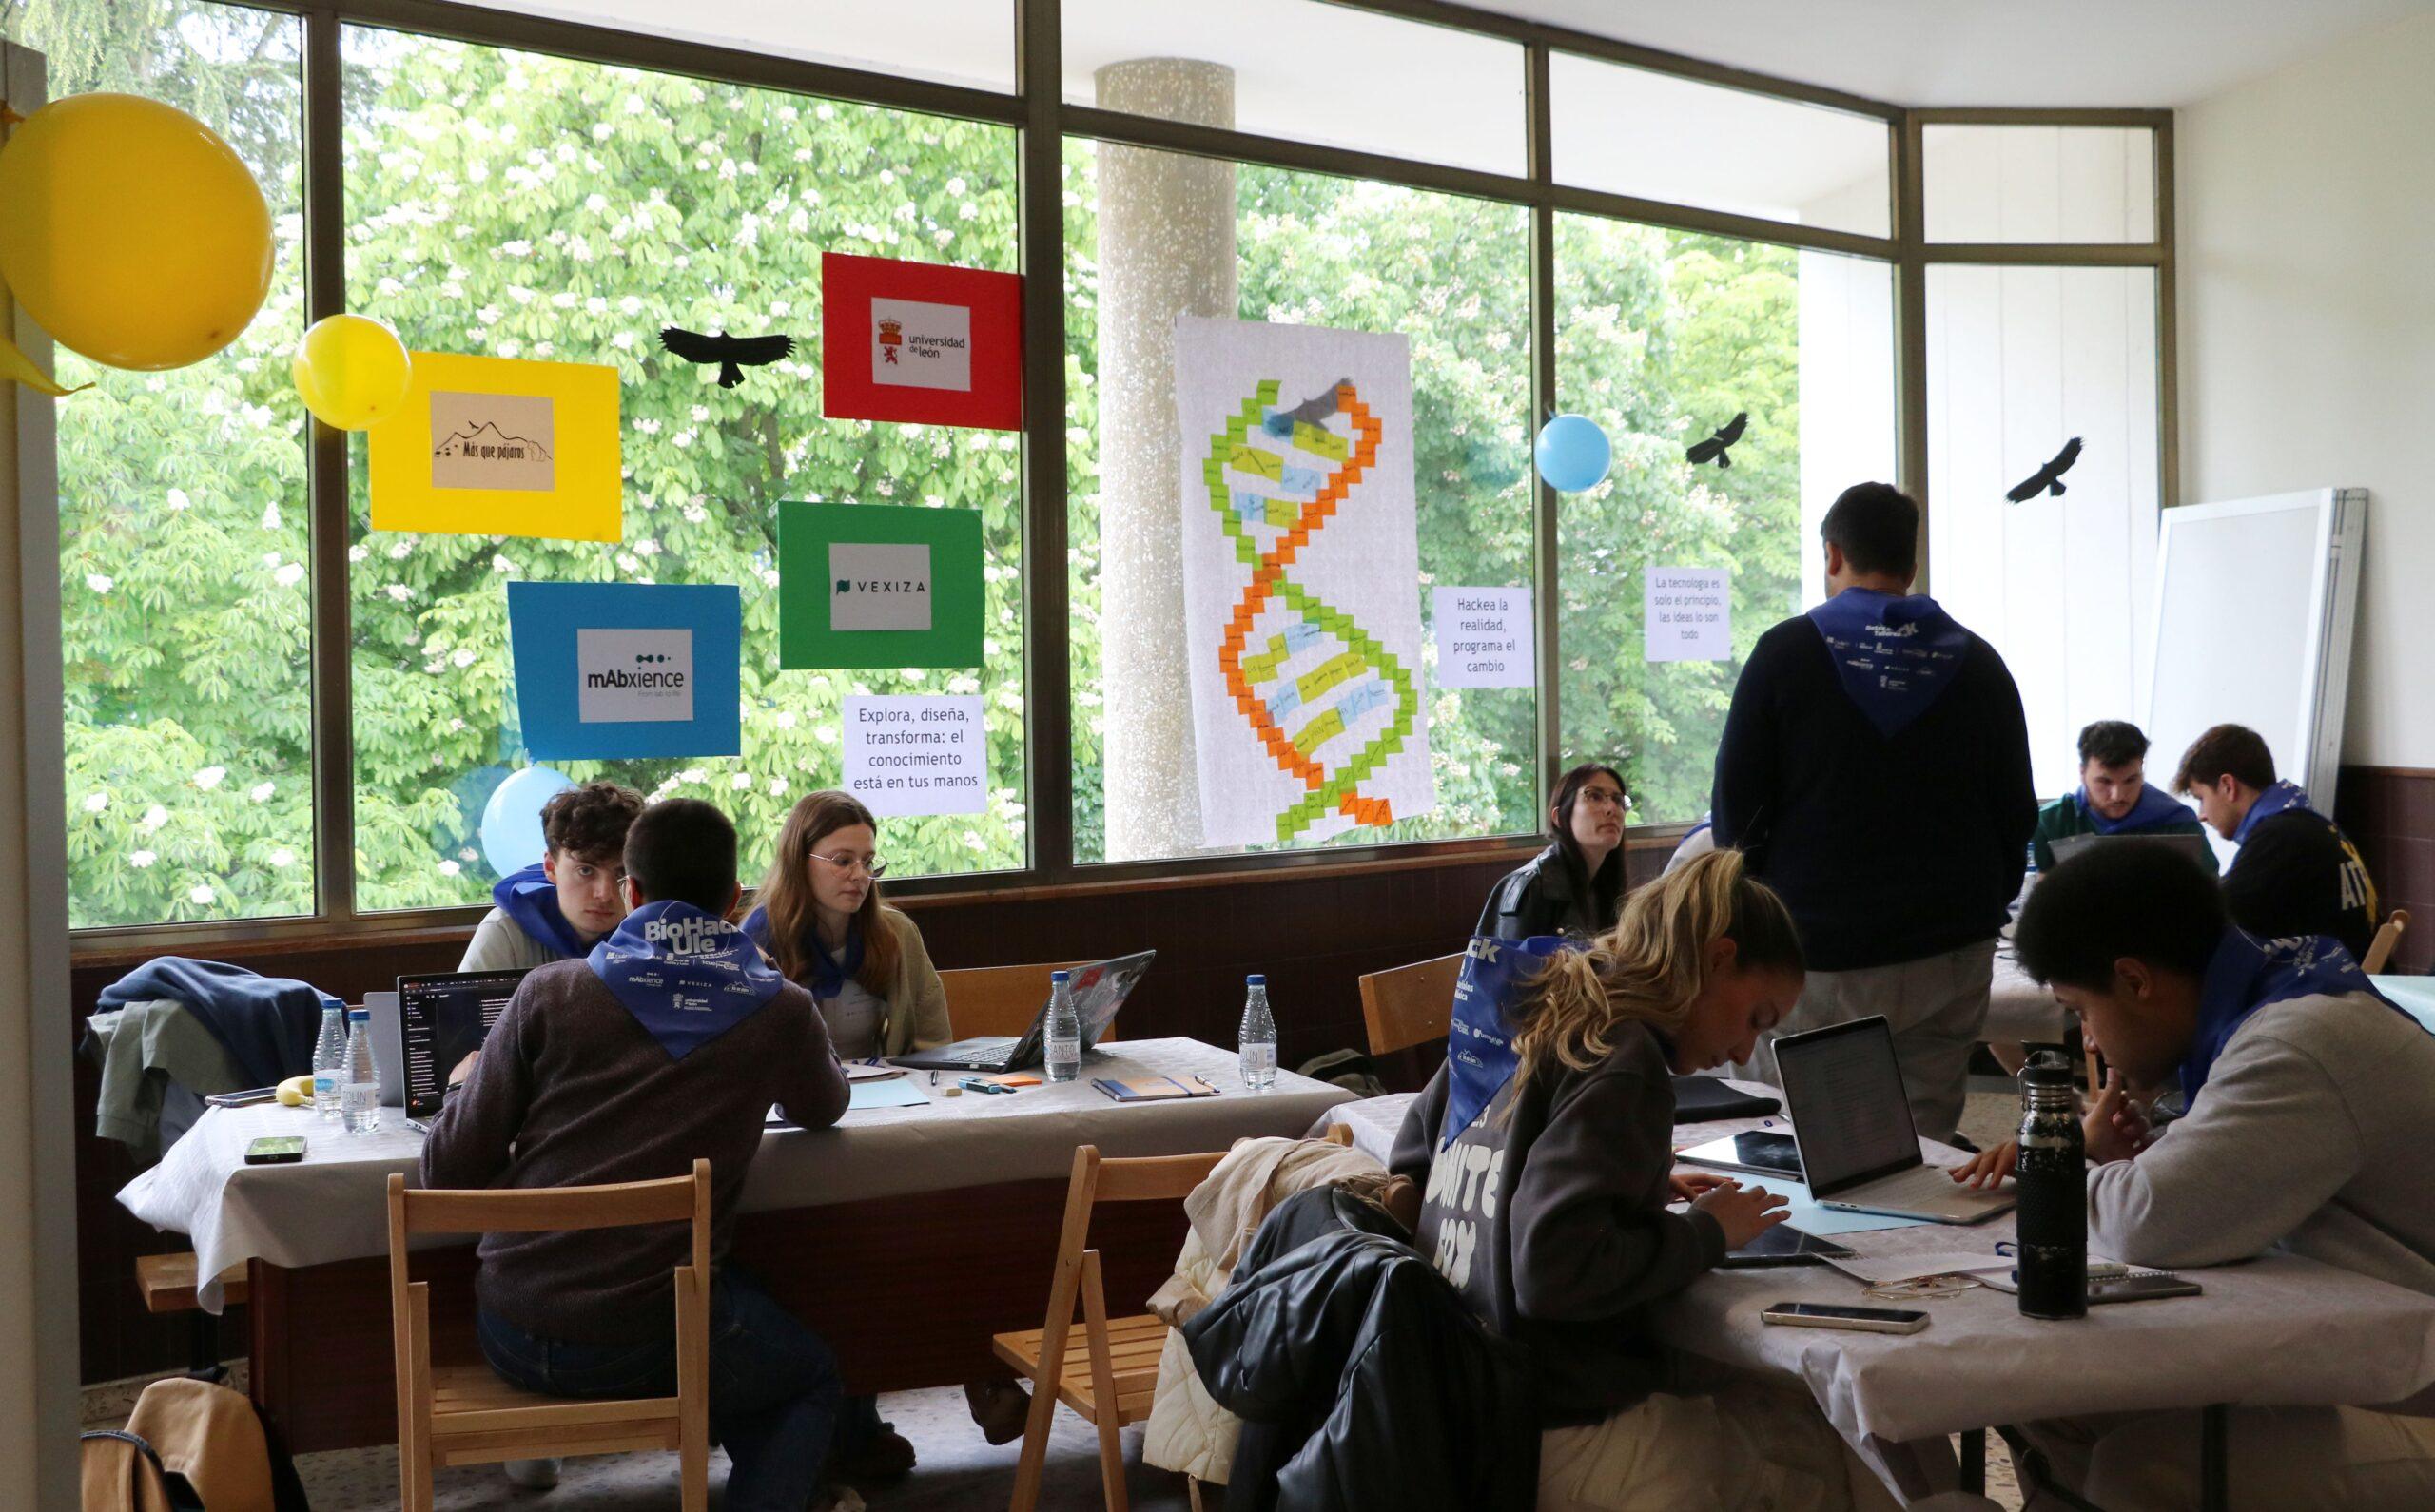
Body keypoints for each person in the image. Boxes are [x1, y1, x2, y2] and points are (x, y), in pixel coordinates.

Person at [1392, 851, 1897, 1512]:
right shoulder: (1628, 1061)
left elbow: (1414, 1162)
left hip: (1457, 1402)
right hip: (1556, 1424)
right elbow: (1552, 1273)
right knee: (1845, 1452)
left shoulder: (1527, 997)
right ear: (1717, 959)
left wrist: (1635, 1181)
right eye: (1756, 1018)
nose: (1744, 1053)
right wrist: (1707, 1232)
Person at [1962, 841, 2435, 1509]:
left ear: (2135, 980)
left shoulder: (2296, 1044)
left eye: (2082, 1011)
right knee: (2055, 1403)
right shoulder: (2270, 1004)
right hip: (2385, 1359)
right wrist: (2111, 1162)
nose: (2088, 1040)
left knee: (2146, 1471)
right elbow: (2190, 1195)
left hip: (2415, 1391)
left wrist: (2058, 1166)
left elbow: (2149, 1220)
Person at [421, 798, 856, 1512]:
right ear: (734, 899)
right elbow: (823, 1106)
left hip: (512, 1325)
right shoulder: (777, 1008)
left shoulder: (549, 993)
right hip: (654, 1340)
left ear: (632, 891)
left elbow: (446, 1172)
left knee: (741, 1299)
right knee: (804, 1376)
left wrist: (462, 1086)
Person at [1712, 482, 2036, 1140]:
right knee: (1919, 1148)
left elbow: (1735, 820)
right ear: (1910, 566)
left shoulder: (1784, 654)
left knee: (1800, 1143)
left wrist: (1764, 917)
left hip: (1814, 952)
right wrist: (1977, 910)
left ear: (1833, 555)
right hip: (1950, 949)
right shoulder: (1980, 666)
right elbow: (2016, 817)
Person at [741, 791, 952, 1465]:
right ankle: (841, 1426)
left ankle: (868, 1412)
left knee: (900, 1243)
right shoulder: (758, 939)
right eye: (842, 860)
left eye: (869, 861)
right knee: (821, 1262)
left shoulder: (894, 934)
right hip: (792, 1129)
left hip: (882, 1117)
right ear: (799, 861)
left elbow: (935, 1041)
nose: (860, 876)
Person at [2173, 722, 2379, 958]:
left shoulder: (2279, 837)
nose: (2201, 815)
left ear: (2228, 786)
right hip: (2353, 975)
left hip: (2331, 980)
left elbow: (2211, 922)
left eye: (2201, 798)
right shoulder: (2311, 824)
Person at [459, 780, 645, 972]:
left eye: (621, 872)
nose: (605, 894)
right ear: (550, 867)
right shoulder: (505, 931)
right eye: (585, 870)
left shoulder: (650, 931)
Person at [2027, 719, 2215, 874]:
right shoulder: (2052, 822)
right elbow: (2043, 893)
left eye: (2130, 780)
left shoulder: (2179, 824)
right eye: (2104, 781)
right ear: (2082, 773)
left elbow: (2209, 890)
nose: (2118, 795)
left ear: (2141, 770)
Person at [1477, 763, 1627, 940]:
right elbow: (1510, 958)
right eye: (1594, 796)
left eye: (1618, 800)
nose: (1612, 809)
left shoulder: (1607, 884)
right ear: (1559, 817)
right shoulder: (1531, 888)